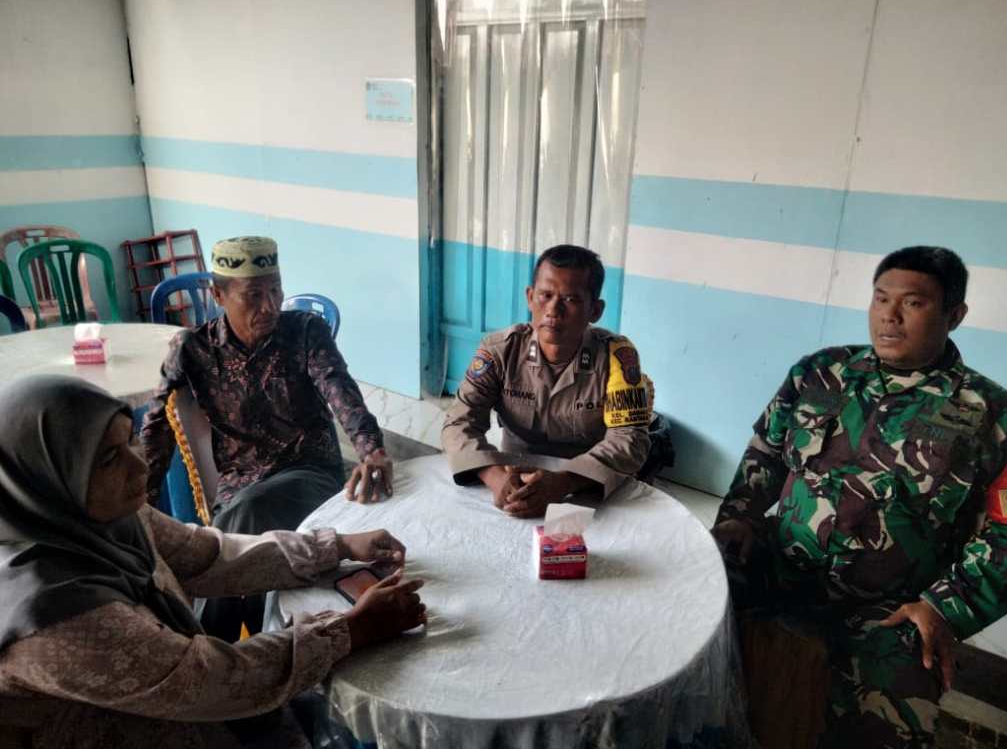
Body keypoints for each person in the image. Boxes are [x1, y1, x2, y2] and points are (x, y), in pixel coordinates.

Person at [0, 375, 425, 748]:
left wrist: (337, 546)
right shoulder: (55, 618)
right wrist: (352, 629)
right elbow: (211, 680)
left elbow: (205, 555)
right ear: (44, 478)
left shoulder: (103, 518)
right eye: (109, 459)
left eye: (130, 439)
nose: (139, 464)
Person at [712, 246, 1007, 747]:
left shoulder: (996, 416)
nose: (889, 316)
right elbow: (765, 453)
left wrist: (945, 608)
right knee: (687, 598)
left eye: (912, 303)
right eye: (881, 298)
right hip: (782, 561)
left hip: (890, 605)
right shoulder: (820, 373)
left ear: (955, 315)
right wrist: (740, 516)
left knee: (893, 703)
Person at [141, 236, 391, 639]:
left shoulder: (305, 331)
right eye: (254, 295)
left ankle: (210, 644)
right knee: (244, 516)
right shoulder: (192, 349)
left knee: (241, 520)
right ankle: (259, 643)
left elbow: (340, 389)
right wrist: (136, 511)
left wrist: (371, 450)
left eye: (276, 290)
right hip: (238, 486)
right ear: (218, 295)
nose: (270, 306)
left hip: (309, 473)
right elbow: (156, 429)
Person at [442, 245, 651, 518]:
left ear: (595, 310)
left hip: (586, 486)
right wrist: (493, 476)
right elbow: (459, 422)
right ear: (530, 297)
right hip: (514, 481)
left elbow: (630, 438)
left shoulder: (617, 357)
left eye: (571, 299)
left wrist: (566, 482)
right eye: (545, 295)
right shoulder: (500, 351)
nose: (553, 310)